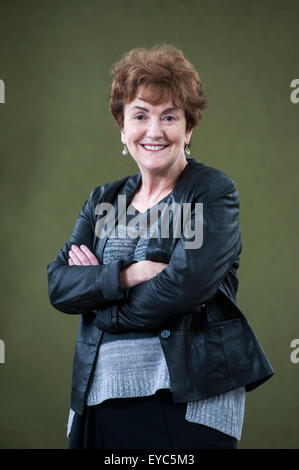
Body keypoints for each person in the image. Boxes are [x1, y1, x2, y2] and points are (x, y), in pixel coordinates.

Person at [46, 44, 274, 449]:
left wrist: (103, 308)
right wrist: (127, 274)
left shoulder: (211, 191)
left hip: (183, 400)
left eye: (169, 116)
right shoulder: (105, 199)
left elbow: (187, 286)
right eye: (140, 116)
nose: (154, 131)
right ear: (122, 127)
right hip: (98, 399)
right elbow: (60, 285)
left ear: (188, 130)